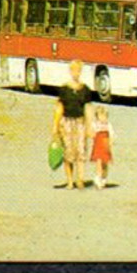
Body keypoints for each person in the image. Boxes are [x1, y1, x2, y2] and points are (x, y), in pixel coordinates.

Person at [51, 59, 92, 190]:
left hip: (80, 122)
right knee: (68, 152)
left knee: (81, 151)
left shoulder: (85, 89)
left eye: (78, 70)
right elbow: (59, 108)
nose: (76, 73)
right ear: (70, 71)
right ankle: (69, 180)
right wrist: (55, 126)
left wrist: (90, 126)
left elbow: (88, 108)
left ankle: (80, 179)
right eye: (74, 70)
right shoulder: (64, 89)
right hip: (67, 122)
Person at [89, 104, 114, 189]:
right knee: (98, 162)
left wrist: (111, 142)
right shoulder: (95, 124)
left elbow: (111, 134)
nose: (103, 118)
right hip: (98, 145)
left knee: (105, 162)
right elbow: (92, 133)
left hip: (105, 145)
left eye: (105, 116)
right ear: (97, 116)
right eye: (101, 116)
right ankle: (98, 177)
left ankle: (104, 177)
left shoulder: (108, 125)